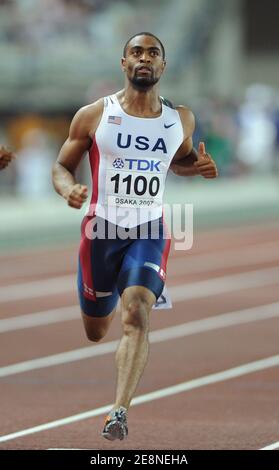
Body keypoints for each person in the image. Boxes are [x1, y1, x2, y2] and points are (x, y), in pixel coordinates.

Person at [52, 32, 218, 442]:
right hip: (101, 231)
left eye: (153, 53)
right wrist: (67, 188)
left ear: (163, 66)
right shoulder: (93, 115)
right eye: (136, 53)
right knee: (96, 329)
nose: (145, 59)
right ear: (124, 63)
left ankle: (118, 412)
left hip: (151, 229)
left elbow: (178, 161)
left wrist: (197, 167)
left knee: (137, 313)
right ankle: (102, 298)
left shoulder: (181, 118)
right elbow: (61, 166)